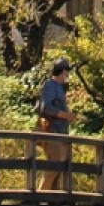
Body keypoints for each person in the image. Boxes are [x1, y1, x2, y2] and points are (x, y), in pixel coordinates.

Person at [35, 57, 74, 190]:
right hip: (52, 131)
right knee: (54, 165)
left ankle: (51, 198)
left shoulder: (59, 87)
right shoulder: (50, 85)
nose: (67, 76)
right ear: (62, 72)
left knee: (60, 166)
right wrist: (65, 115)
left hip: (60, 132)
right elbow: (45, 108)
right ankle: (40, 196)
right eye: (66, 73)